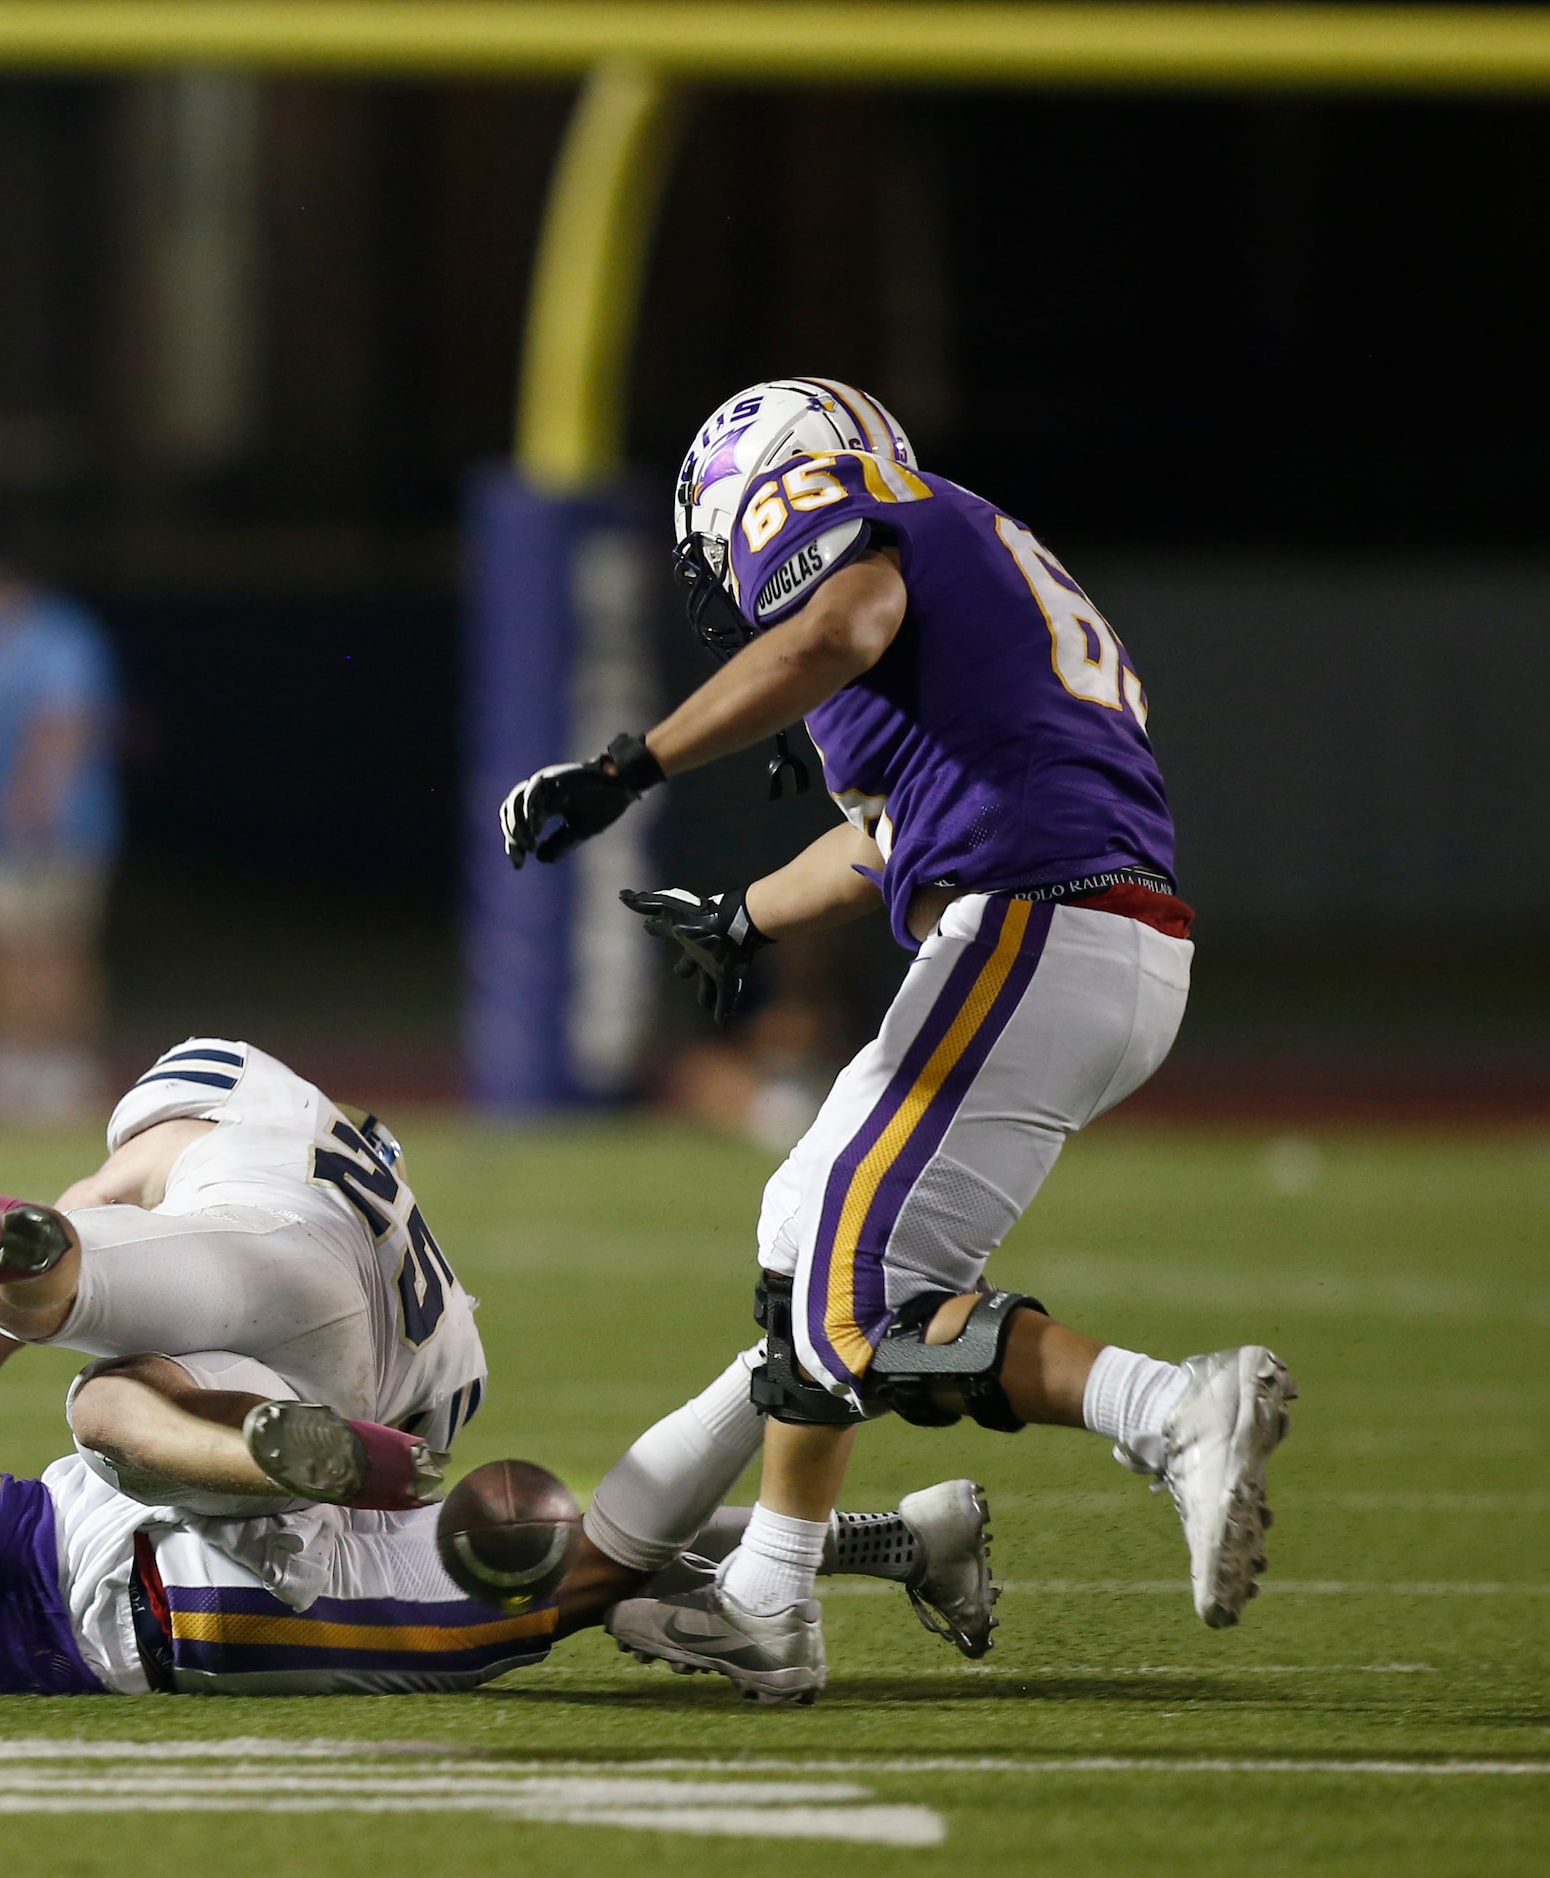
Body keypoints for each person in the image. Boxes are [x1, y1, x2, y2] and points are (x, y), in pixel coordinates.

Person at [498, 377, 1295, 1703]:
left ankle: (1166, 1408)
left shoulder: (847, 522)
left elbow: (837, 628)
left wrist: (627, 767)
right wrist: (740, 913)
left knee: (849, 1311)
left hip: (1032, 929)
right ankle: (764, 1593)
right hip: (1092, 939)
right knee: (799, 1246)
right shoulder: (967, 548)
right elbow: (883, 836)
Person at [0, 1349, 996, 1699]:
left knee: (542, 1575)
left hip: (130, 1605)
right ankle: (886, 1540)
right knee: (540, 1556)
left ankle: (771, 1363)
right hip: (94, 1487)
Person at [0, 1037, 488, 1513]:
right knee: (124, 1394)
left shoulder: (214, 1126)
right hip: (380, 1405)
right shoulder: (429, 1274)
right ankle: (269, 1451)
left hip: (277, 1245)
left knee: (71, 1327)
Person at [0, 541, 121, 1117]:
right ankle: (10, 1057)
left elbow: (65, 721)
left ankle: (64, 1064)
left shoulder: (56, 634)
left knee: (53, 946)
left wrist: (34, 799)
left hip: (50, 828)